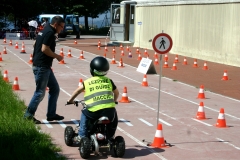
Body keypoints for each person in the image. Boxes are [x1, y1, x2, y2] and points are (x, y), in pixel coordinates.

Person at [24, 16, 65, 124]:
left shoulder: (44, 30)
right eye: (61, 27)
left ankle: (51, 114)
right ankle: (28, 115)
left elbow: (35, 44)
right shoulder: (50, 33)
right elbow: (44, 48)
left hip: (43, 65)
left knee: (54, 88)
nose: (62, 29)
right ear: (56, 24)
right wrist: (56, 56)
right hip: (42, 67)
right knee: (40, 92)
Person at [67, 56, 119, 141]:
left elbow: (77, 91)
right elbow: (116, 93)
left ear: (92, 70)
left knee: (84, 114)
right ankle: (110, 137)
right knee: (114, 119)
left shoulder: (87, 82)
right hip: (109, 111)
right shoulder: (109, 81)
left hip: (93, 111)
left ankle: (81, 135)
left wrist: (70, 101)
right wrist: (114, 100)